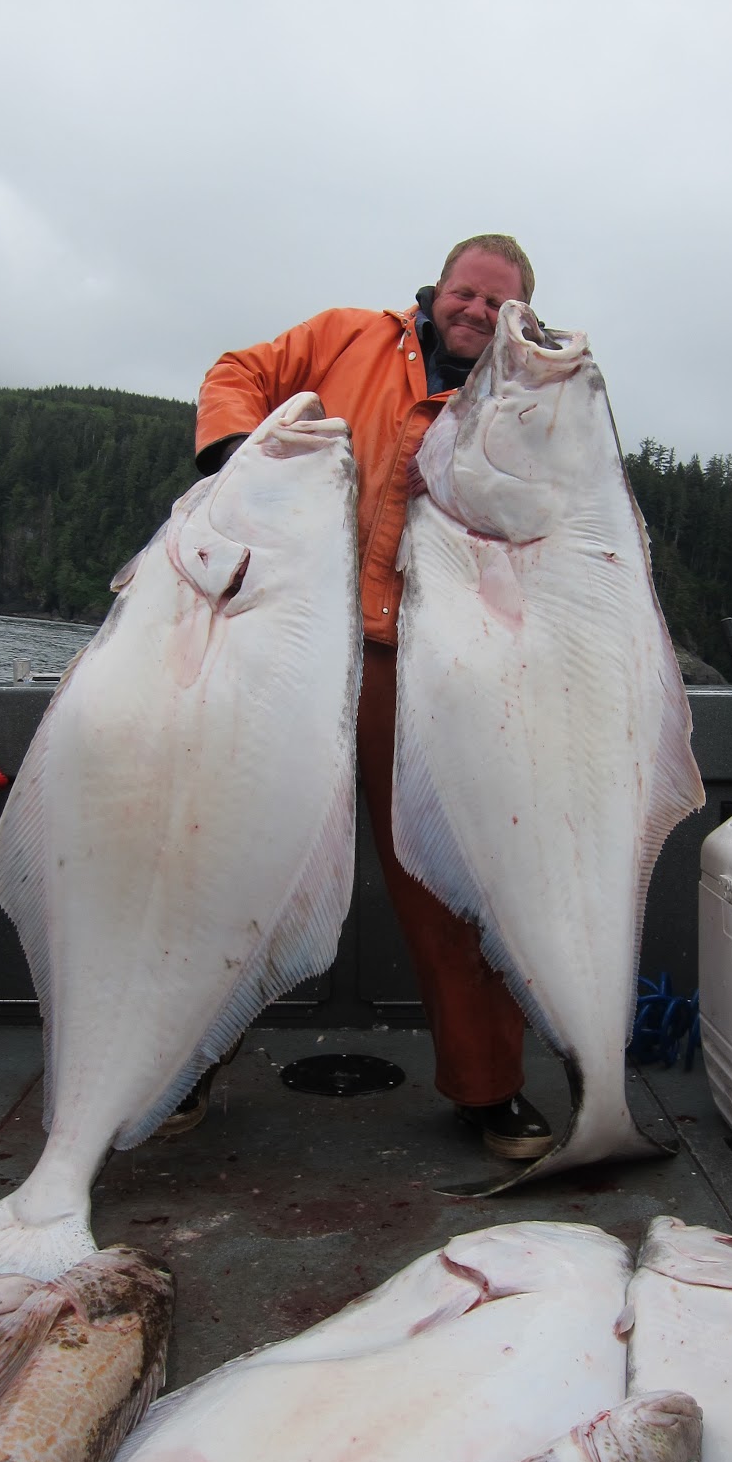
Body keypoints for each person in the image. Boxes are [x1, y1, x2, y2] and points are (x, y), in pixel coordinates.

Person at [168, 235, 552, 1161]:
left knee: (449, 882)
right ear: (441, 287)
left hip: (417, 669)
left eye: (498, 305)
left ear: (520, 315)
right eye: (467, 293)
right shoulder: (346, 337)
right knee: (237, 864)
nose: (476, 312)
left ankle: (488, 1090)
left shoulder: (522, 405)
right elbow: (239, 371)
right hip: (287, 652)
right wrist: (233, 450)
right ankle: (179, 1064)